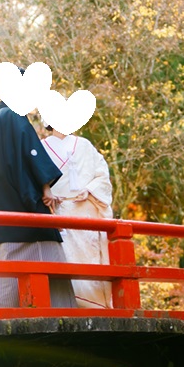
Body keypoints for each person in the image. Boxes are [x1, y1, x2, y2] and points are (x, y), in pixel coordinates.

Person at [0, 70, 77, 308]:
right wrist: (45, 188)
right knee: (53, 284)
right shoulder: (14, 117)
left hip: (3, 222)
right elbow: (30, 153)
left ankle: (5, 331)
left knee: (9, 293)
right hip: (28, 222)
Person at [41, 125, 113, 308]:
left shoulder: (84, 145)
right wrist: (47, 195)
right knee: (65, 258)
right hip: (58, 211)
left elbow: (102, 175)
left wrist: (89, 190)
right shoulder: (41, 146)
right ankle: (70, 303)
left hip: (85, 213)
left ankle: (95, 305)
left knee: (89, 259)